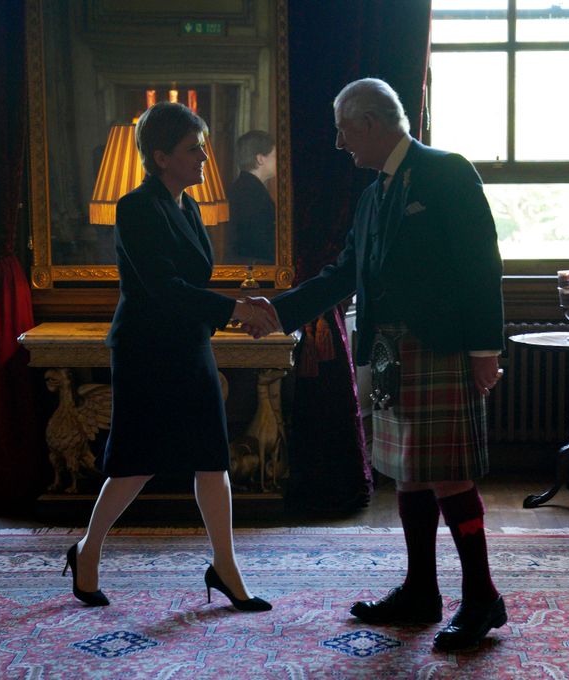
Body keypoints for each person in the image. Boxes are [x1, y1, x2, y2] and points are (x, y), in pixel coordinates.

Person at [246, 78, 507, 651]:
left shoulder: (446, 172)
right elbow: (343, 274)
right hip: (390, 353)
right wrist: (278, 309)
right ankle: (420, 591)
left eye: (342, 130)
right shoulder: (371, 197)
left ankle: (483, 597)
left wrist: (485, 350)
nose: (339, 143)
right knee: (408, 471)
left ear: (368, 122)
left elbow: (481, 262)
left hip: (440, 346)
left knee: (448, 471)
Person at [63, 102, 276, 612]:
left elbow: (193, 284)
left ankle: (225, 568)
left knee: (212, 458)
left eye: (201, 146)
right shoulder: (135, 207)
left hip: (189, 345)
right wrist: (235, 309)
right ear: (160, 157)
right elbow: (163, 286)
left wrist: (237, 309)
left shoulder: (190, 207)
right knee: (136, 464)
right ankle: (87, 552)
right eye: (192, 149)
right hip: (147, 352)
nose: (204, 156)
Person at [226, 130, 277, 265]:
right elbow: (259, 242)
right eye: (274, 156)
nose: (279, 161)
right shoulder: (251, 192)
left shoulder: (245, 187)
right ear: (260, 159)